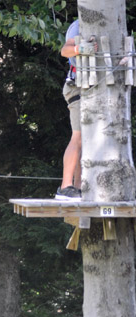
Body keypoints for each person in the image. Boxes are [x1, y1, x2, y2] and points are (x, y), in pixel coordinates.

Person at [57, 17, 96, 200]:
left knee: (86, 140)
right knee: (78, 137)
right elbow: (65, 50)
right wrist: (80, 49)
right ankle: (66, 187)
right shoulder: (79, 25)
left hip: (92, 87)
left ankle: (78, 188)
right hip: (77, 86)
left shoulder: (109, 23)